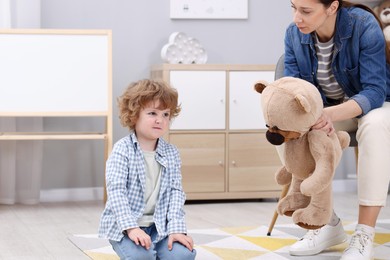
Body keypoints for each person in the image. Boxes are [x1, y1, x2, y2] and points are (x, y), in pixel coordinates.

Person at [283, 0, 390, 259]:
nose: (297, 18)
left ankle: (365, 232)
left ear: (332, 7)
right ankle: (326, 222)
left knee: (376, 126)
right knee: (288, 131)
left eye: (306, 11)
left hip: (368, 106)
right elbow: (292, 87)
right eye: (293, 7)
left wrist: (329, 114)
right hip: (324, 110)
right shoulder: (293, 34)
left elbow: (376, 90)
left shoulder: (363, 25)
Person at [98, 79, 196, 260]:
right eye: (152, 113)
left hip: (161, 227)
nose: (160, 120)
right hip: (126, 226)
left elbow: (176, 193)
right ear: (134, 115)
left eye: (166, 114)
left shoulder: (171, 152)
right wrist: (132, 228)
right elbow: (116, 192)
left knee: (183, 255)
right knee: (141, 257)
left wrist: (176, 229)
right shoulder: (122, 150)